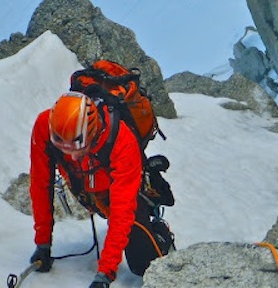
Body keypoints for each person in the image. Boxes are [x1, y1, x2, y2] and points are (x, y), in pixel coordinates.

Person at [29, 91, 172, 288]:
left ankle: (160, 229)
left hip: (120, 190)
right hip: (90, 188)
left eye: (76, 147)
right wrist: (42, 243)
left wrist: (105, 273)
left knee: (143, 265)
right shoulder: (44, 126)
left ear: (92, 132)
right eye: (63, 149)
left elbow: (122, 211)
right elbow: (40, 184)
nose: (72, 157)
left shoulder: (122, 142)